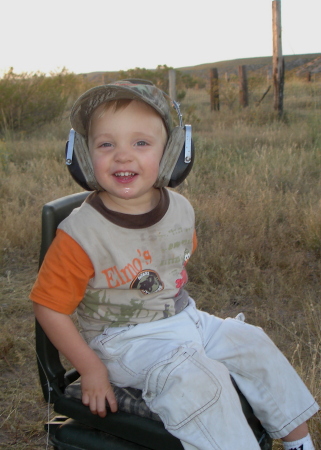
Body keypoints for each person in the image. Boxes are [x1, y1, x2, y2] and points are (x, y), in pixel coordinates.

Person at [30, 79, 319, 450]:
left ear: (172, 154)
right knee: (200, 381)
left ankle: (299, 443)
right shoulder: (80, 234)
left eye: (141, 143)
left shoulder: (181, 209)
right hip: (124, 341)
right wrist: (90, 368)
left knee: (251, 342)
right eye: (106, 144)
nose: (122, 155)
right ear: (84, 156)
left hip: (184, 320)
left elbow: (177, 261)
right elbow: (48, 306)